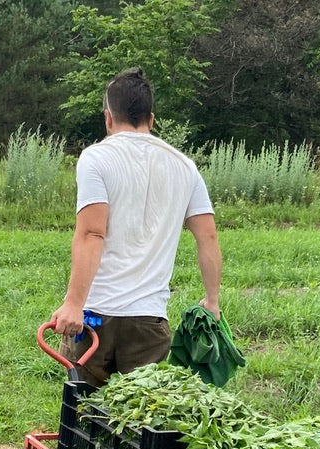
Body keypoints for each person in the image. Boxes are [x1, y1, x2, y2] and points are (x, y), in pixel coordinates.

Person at [50, 67, 222, 386]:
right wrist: (212, 301)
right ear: (151, 119)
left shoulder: (96, 159)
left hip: (93, 319)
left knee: (84, 420)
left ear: (108, 118)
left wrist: (73, 303)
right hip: (149, 321)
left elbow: (92, 233)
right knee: (140, 425)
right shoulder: (185, 167)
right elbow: (207, 236)